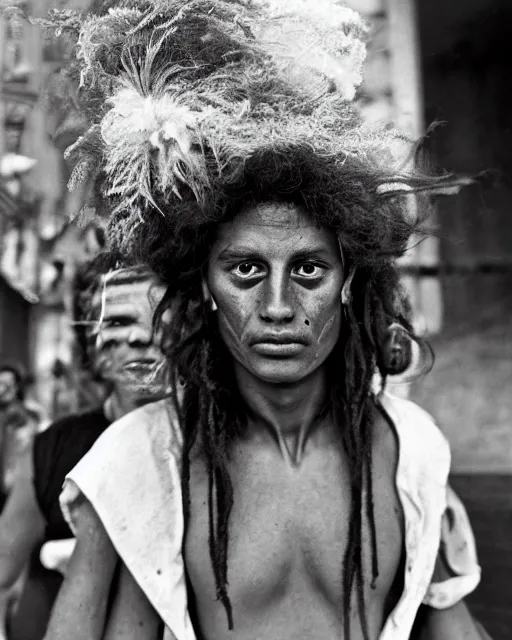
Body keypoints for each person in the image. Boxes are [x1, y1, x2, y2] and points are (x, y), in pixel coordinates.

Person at [40, 2, 488, 639]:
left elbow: (453, 626)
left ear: (349, 280)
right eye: (246, 270)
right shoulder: (145, 459)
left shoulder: (410, 450)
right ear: (205, 283)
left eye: (308, 270)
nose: (278, 308)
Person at [0, 250, 169, 640]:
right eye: (117, 322)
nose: (140, 337)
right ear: (92, 348)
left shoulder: (211, 444)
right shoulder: (53, 450)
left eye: (157, 318)